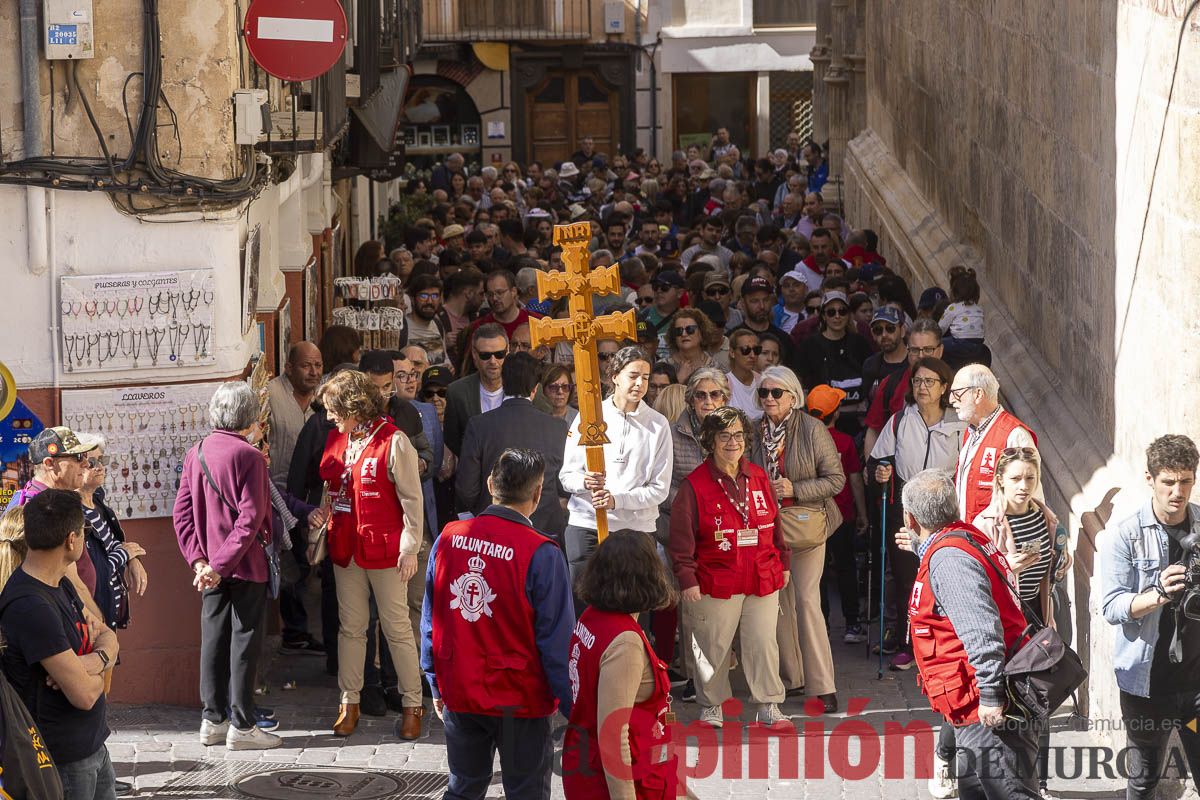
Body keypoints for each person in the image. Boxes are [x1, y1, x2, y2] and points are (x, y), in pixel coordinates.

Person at [422, 448, 574, 800]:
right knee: (526, 791)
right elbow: (557, 644)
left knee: (463, 786)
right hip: (520, 697)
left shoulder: (449, 536)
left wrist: (434, 680)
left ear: (491, 484)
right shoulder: (542, 553)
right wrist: (574, 709)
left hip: (460, 683)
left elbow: (431, 617)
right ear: (537, 494)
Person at [899, 469, 1039, 800]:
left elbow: (981, 631)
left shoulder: (949, 559)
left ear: (911, 517)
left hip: (984, 707)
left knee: (1010, 792)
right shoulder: (960, 539)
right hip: (969, 706)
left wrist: (991, 695)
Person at [315, 370, 426, 740]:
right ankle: (349, 702)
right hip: (346, 549)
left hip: (385, 550)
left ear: (353, 406)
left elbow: (412, 500)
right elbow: (330, 490)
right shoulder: (337, 439)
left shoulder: (393, 441)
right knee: (351, 629)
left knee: (396, 629)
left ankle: (412, 704)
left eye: (334, 409)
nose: (329, 416)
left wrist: (410, 548)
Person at [173, 382, 280, 750]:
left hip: (211, 567)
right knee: (244, 643)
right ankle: (243, 724)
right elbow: (251, 519)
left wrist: (200, 561)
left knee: (214, 640)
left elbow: (182, 515)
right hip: (243, 564)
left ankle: (212, 719)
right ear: (250, 416)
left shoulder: (197, 452)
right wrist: (216, 564)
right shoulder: (249, 456)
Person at [670, 406, 790, 728]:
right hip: (715, 581)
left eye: (738, 435)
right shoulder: (693, 486)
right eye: (724, 436)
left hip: (762, 576)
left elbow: (776, 525)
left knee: (763, 643)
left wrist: (784, 559)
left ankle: (768, 705)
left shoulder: (759, 477)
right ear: (710, 441)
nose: (732, 442)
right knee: (711, 646)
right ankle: (711, 705)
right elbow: (681, 541)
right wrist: (687, 579)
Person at [0, 489, 121, 799]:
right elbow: (84, 694)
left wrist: (90, 661)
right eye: (84, 532)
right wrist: (105, 656)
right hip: (64, 760)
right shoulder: (30, 605)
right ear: (71, 539)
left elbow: (107, 634)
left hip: (93, 744)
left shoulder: (60, 583)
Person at [1098, 435, 1200, 799]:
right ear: (1150, 479)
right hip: (1147, 684)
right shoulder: (1124, 534)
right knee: (1143, 781)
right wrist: (1157, 594)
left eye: (1186, 480)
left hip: (1195, 682)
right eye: (1168, 481)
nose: (1178, 491)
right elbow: (1111, 607)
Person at [970, 446, 1069, 798]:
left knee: (1040, 701)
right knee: (1005, 705)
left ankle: (1037, 784)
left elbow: (1052, 567)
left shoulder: (1045, 517)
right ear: (1000, 480)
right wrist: (1008, 567)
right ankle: (951, 758)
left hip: (1038, 620)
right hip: (1004, 625)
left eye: (1030, 478)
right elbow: (976, 581)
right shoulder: (985, 524)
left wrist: (1060, 562)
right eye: (1015, 479)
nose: (1023, 486)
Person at [751, 366, 843, 712]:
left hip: (805, 526)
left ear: (793, 396)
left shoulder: (812, 428)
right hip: (766, 527)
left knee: (806, 601)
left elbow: (835, 480)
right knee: (777, 606)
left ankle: (823, 686)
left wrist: (795, 489)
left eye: (777, 393)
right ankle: (793, 678)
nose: (770, 399)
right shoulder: (751, 430)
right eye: (764, 393)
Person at [564, 532, 681, 798]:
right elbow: (613, 737)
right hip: (619, 783)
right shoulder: (625, 642)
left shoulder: (592, 618)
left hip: (588, 762)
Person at [867, 357, 965, 670]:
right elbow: (876, 462)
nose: (922, 387)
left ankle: (947, 645)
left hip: (945, 510)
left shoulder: (958, 423)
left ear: (944, 387)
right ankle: (910, 646)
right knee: (909, 580)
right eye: (918, 381)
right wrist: (881, 472)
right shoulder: (899, 420)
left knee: (945, 577)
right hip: (907, 510)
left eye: (930, 382)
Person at [559, 347, 672, 601]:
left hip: (636, 529)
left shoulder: (657, 424)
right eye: (633, 375)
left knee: (632, 608)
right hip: (588, 523)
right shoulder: (588, 417)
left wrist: (616, 500)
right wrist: (584, 482)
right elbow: (567, 476)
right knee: (583, 608)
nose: (640, 383)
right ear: (615, 376)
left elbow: (659, 489)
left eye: (645, 376)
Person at [456, 353, 569, 538]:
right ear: (535, 388)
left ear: (503, 383)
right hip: (544, 528)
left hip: (493, 528)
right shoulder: (557, 427)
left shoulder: (479, 425)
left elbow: (467, 488)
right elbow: (563, 483)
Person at [803, 386, 868, 646]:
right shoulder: (844, 441)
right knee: (845, 568)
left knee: (814, 572)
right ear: (837, 413)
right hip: (842, 516)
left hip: (811, 515)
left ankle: (822, 624)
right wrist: (862, 513)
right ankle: (852, 623)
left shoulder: (802, 440)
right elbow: (854, 479)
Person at [949, 364, 1039, 522]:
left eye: (957, 394)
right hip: (972, 538)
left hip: (1000, 542)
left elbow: (1032, 499)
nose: (951, 400)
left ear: (978, 394)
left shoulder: (1014, 435)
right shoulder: (970, 433)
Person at [77, 444, 147, 642]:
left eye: (102, 460)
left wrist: (132, 559)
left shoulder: (98, 504)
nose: (99, 467)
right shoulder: (74, 515)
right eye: (91, 462)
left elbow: (114, 545)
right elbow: (91, 570)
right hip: (90, 617)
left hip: (109, 614)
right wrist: (125, 555)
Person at [863, 318, 945, 459]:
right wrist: (872, 468)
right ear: (907, 349)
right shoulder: (891, 383)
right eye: (914, 350)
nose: (920, 356)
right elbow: (874, 431)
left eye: (928, 350)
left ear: (940, 351)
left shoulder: (958, 386)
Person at [791, 290, 871, 434]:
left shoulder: (860, 343)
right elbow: (799, 381)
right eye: (831, 312)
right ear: (823, 315)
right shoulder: (809, 345)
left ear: (849, 315)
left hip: (856, 419)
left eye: (842, 311)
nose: (837, 316)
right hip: (821, 421)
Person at [444, 323, 509, 456]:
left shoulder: (524, 388)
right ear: (474, 354)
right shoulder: (457, 392)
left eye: (499, 354)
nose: (493, 361)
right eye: (485, 355)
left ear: (508, 352)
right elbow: (453, 439)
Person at [665, 309, 721, 384]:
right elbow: (658, 395)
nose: (684, 334)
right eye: (679, 330)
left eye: (690, 329)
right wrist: (679, 380)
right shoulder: (663, 366)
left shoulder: (714, 367)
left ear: (702, 332)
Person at [725, 328, 763, 421]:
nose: (752, 355)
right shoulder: (723, 383)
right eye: (745, 350)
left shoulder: (764, 382)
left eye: (756, 350)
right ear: (732, 353)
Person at [540, 364, 578, 428]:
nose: (560, 392)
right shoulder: (536, 418)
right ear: (543, 389)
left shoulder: (578, 418)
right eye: (553, 387)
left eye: (565, 387)